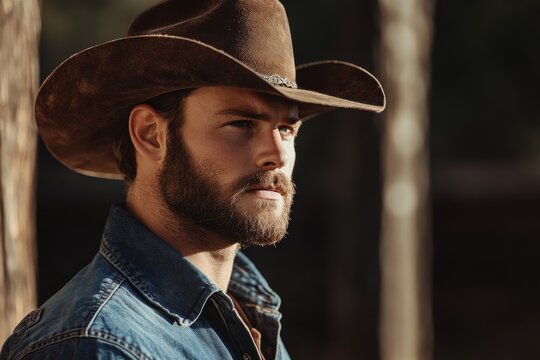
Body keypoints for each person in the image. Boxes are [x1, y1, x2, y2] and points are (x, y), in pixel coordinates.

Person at [1, 0, 385, 359]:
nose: (279, 154)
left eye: (286, 129)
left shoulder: (251, 312)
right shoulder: (99, 344)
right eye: (242, 123)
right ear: (151, 134)